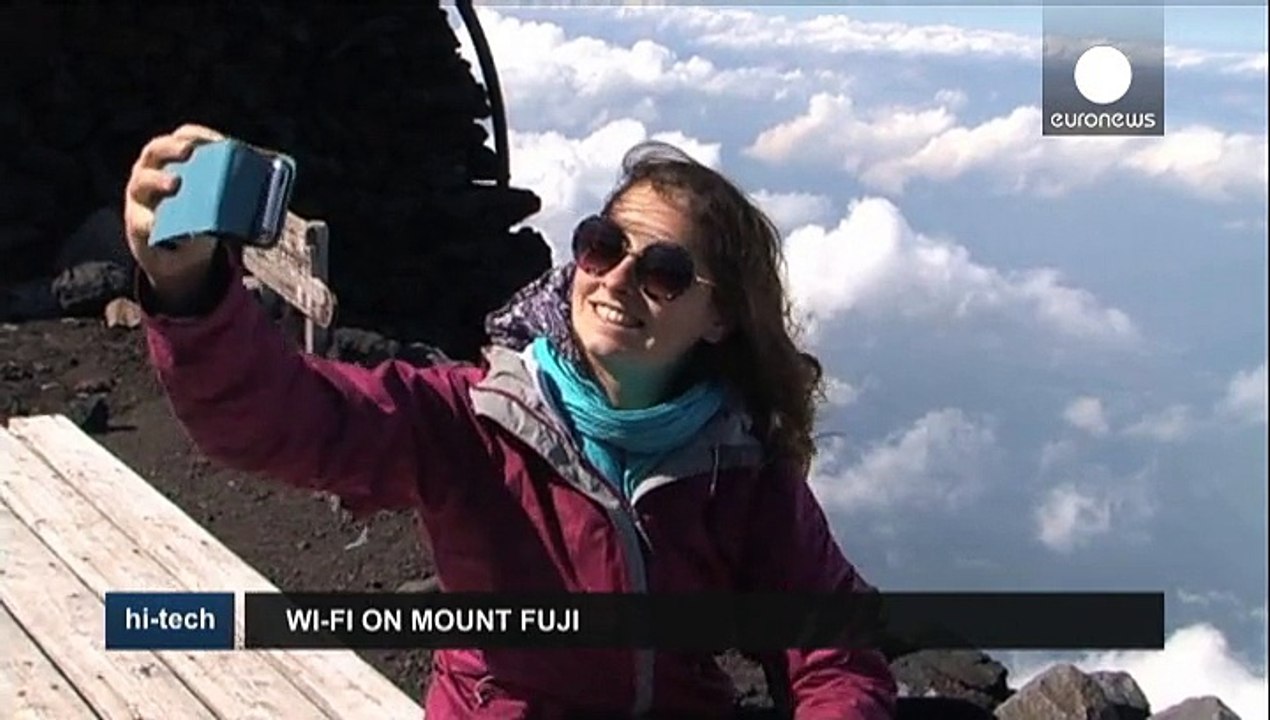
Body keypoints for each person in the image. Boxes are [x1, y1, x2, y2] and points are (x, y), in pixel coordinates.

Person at [124, 123, 898, 719]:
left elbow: (830, 649)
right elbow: (279, 421)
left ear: (720, 318)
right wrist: (188, 290)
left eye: (663, 272)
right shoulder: (472, 420)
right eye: (603, 247)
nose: (617, 279)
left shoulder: (740, 467)